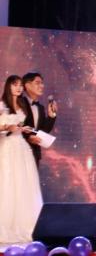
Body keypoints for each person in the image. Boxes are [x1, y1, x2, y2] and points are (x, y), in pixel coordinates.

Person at [0, 75, 43, 243]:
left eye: (20, 85)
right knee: (8, 183)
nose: (18, 88)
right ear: (8, 86)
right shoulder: (2, 105)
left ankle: (27, 225)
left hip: (22, 148)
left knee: (25, 185)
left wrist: (22, 129)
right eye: (14, 85)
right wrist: (7, 126)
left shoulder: (22, 105)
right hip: (7, 148)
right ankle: (6, 226)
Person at [19, 72, 57, 165]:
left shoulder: (40, 108)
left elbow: (43, 131)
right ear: (27, 85)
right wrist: (28, 137)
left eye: (42, 83)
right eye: (37, 83)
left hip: (34, 154)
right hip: (19, 152)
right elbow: (14, 125)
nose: (42, 86)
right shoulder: (18, 103)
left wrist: (51, 116)